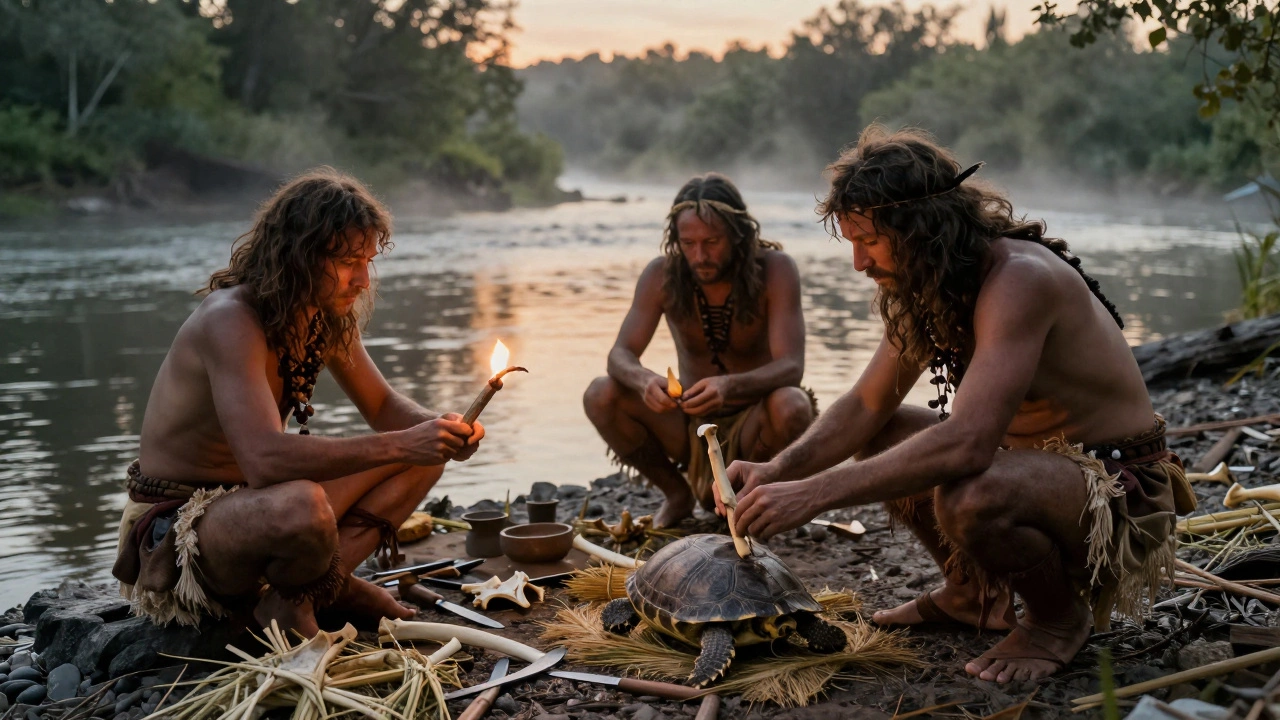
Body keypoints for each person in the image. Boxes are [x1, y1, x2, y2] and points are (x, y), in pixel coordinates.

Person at [724, 127, 1194, 684]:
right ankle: (972, 595)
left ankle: (1056, 620)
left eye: (868, 241)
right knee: (886, 432)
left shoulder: (1020, 279)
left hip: (1117, 489)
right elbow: (867, 405)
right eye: (851, 243)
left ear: (921, 228)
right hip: (1033, 470)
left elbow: (968, 443)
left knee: (970, 494)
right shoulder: (930, 284)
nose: (858, 263)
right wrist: (778, 471)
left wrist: (812, 495)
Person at [112, 168, 484, 636]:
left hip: (252, 506)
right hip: (182, 527)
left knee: (424, 457)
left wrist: (445, 429)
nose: (362, 280)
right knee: (303, 506)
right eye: (349, 261)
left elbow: (383, 407)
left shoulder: (323, 315)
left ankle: (309, 595)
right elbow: (265, 461)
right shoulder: (230, 320)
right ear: (299, 256)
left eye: (367, 262)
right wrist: (404, 442)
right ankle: (322, 592)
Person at [584, 173, 815, 528]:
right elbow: (619, 355)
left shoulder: (775, 269)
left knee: (792, 405)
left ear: (738, 234)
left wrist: (729, 386)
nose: (700, 255)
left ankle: (752, 502)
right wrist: (644, 381)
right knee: (600, 394)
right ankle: (677, 495)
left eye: (712, 241)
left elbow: (791, 367)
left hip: (755, 426)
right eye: (688, 243)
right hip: (688, 426)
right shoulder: (661, 275)